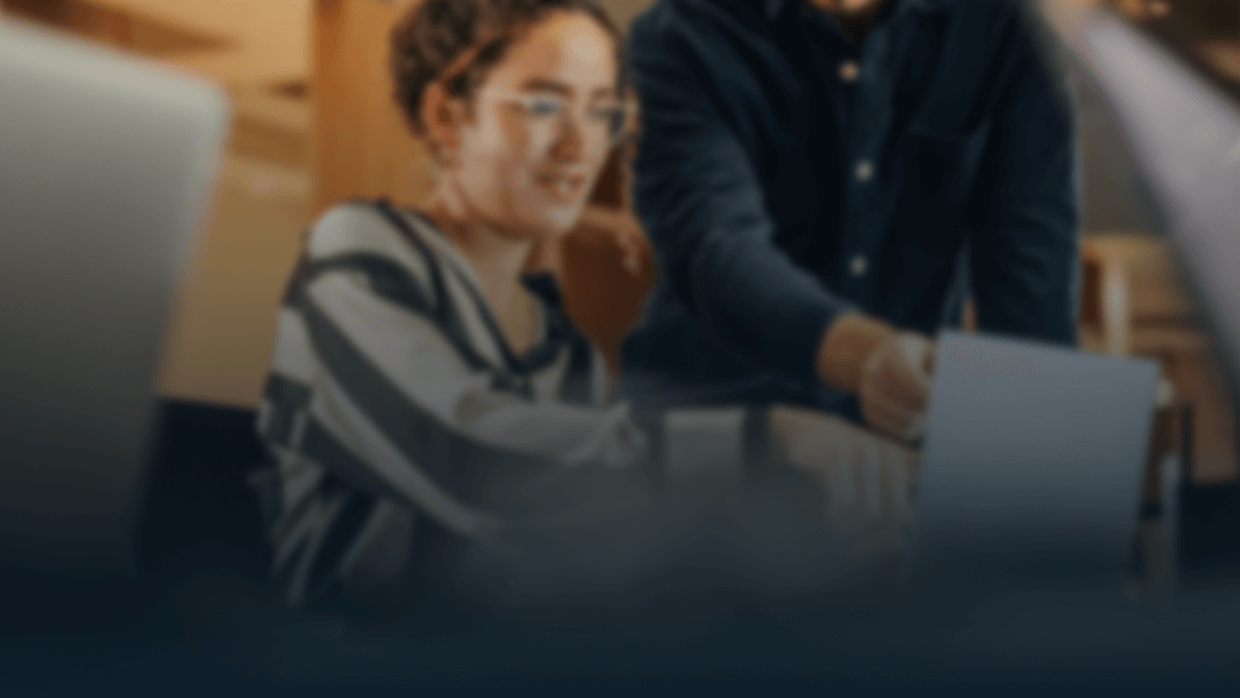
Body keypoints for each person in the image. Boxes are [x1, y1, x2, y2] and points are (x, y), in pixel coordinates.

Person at [250, 0, 916, 618]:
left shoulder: (564, 348)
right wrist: (765, 444)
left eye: (603, 112)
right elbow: (473, 459)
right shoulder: (360, 252)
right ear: (445, 116)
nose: (581, 146)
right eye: (544, 105)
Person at [619, 0, 1081, 442]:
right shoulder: (679, 36)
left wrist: (1035, 481)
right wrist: (866, 357)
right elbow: (717, 250)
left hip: (901, 438)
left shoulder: (1009, 31)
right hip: (718, 431)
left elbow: (1030, 295)